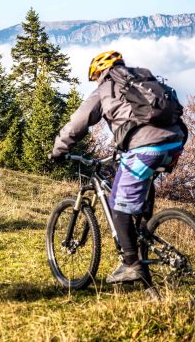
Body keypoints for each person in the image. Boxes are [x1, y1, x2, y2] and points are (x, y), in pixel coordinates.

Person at [50, 50, 186, 286]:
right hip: (174, 142)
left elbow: (79, 122)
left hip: (146, 147)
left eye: (95, 77)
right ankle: (143, 238)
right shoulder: (141, 78)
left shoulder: (106, 88)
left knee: (119, 204)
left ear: (99, 72)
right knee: (141, 186)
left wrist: (59, 149)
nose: (96, 81)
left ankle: (132, 264)